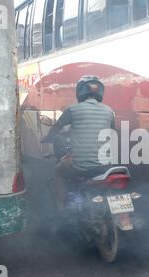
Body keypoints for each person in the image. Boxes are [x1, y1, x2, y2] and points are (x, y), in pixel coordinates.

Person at [42, 75, 116, 211]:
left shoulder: (73, 110)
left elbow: (57, 127)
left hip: (81, 166)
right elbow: (111, 131)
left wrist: (48, 137)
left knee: (58, 171)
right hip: (106, 166)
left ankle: (61, 207)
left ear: (80, 91)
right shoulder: (109, 111)